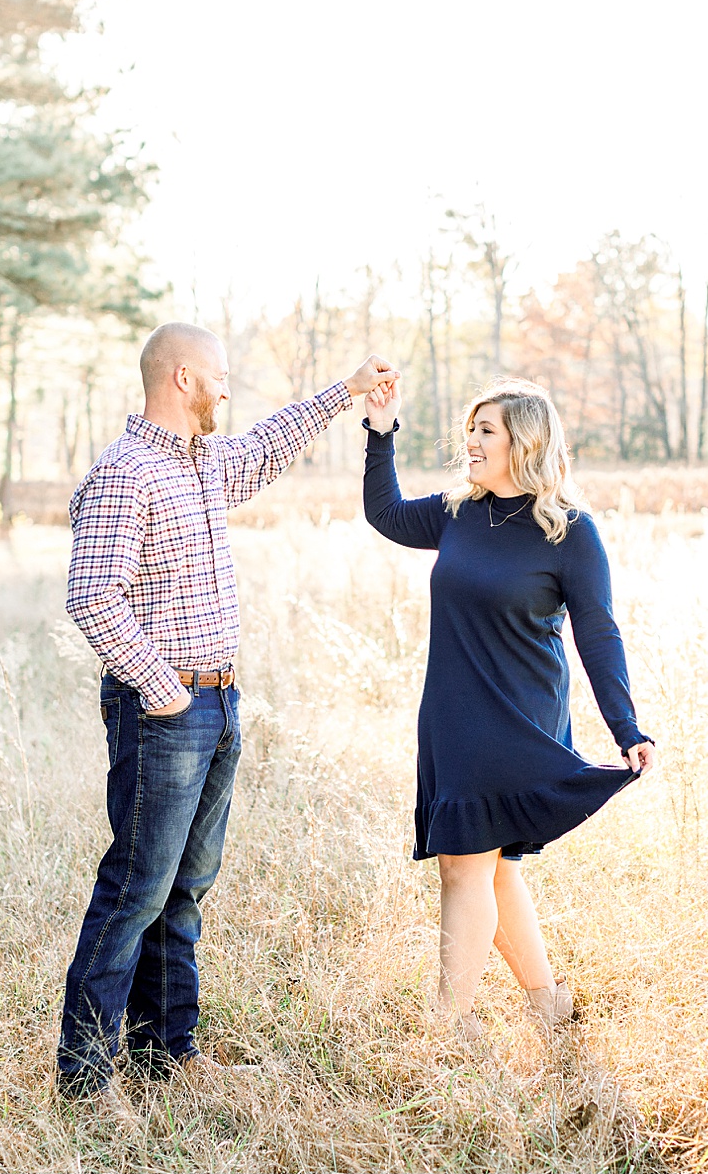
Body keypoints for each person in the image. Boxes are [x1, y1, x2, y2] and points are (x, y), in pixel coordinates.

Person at [59, 321, 398, 1101]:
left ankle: (166, 1054)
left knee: (185, 886)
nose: (226, 389)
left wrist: (347, 393)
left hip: (220, 699)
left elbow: (272, 443)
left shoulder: (204, 462)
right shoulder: (126, 472)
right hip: (165, 707)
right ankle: (84, 1080)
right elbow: (91, 595)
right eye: (218, 376)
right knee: (137, 888)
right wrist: (162, 686)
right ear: (181, 378)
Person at [358, 374, 657, 1040]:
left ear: (523, 442)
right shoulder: (457, 513)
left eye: (485, 430)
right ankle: (550, 1005)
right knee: (492, 868)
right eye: (471, 427)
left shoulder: (571, 533)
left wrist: (626, 726)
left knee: (466, 865)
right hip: (453, 719)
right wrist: (381, 433)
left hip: (519, 720)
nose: (470, 440)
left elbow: (598, 632)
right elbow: (386, 514)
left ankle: (449, 1030)